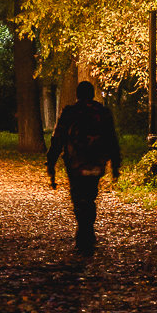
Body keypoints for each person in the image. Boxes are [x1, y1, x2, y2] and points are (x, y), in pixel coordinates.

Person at [46, 81, 121, 255]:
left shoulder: (70, 113)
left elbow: (57, 139)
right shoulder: (102, 113)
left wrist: (51, 163)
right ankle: (87, 229)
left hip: (75, 163)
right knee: (90, 195)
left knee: (78, 196)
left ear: (77, 95)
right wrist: (115, 165)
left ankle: (84, 230)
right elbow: (112, 139)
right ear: (93, 94)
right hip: (96, 163)